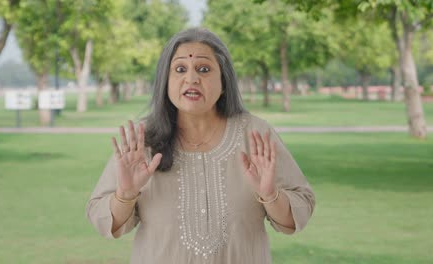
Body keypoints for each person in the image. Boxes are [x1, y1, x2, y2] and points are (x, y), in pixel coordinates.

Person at [86, 28, 315, 264]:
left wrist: (270, 196)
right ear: (166, 80)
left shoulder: (256, 135)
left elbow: (297, 216)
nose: (192, 78)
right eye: (180, 69)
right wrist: (125, 194)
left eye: (204, 69)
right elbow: (105, 222)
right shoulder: (142, 141)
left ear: (224, 81)